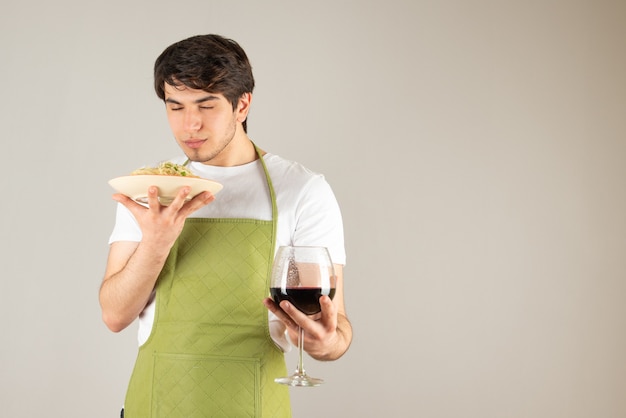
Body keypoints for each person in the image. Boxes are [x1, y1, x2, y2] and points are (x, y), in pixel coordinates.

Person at [99, 34, 352, 417]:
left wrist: (321, 341)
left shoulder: (302, 191)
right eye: (175, 107)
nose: (190, 124)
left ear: (242, 105)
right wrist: (155, 242)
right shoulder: (151, 189)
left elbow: (336, 333)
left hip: (252, 406)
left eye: (206, 105)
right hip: (153, 405)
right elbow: (115, 315)